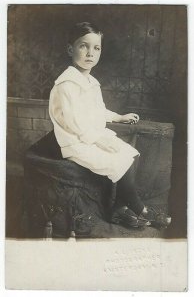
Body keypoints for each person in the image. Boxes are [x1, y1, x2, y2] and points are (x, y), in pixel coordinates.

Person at [49, 22, 171, 230]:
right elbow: (73, 123)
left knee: (131, 154)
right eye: (83, 46)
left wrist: (119, 117)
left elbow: (98, 111)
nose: (90, 53)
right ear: (70, 49)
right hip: (75, 142)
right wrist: (100, 142)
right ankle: (141, 208)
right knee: (117, 161)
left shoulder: (91, 83)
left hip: (92, 136)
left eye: (96, 48)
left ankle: (119, 208)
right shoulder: (66, 85)